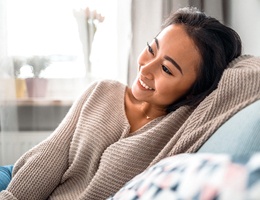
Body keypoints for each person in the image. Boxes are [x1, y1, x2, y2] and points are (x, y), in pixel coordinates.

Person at [0, 7, 242, 200]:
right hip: (19, 178)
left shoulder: (186, 126)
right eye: (151, 49)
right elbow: (49, 158)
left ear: (194, 90)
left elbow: (250, 75)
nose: (146, 68)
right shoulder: (101, 91)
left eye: (167, 69)